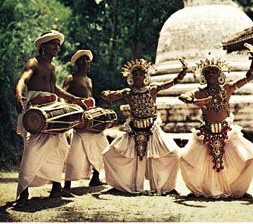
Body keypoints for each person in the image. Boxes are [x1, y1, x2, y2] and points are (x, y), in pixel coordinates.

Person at [15, 30, 86, 207]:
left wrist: (73, 99)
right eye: (53, 44)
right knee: (32, 149)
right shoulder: (34, 62)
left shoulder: (52, 67)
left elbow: (54, 88)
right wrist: (18, 94)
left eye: (58, 45)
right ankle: (23, 191)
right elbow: (23, 79)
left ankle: (56, 186)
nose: (56, 47)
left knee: (59, 146)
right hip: (37, 107)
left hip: (52, 107)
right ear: (43, 46)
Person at [178, 43, 253, 199]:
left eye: (214, 71)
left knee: (248, 159)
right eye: (207, 72)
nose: (211, 74)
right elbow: (183, 96)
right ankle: (202, 189)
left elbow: (249, 78)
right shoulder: (200, 92)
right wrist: (193, 101)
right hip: (206, 133)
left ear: (220, 74)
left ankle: (236, 189)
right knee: (186, 160)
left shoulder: (227, 89)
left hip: (226, 133)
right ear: (203, 76)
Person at [101, 58, 187, 194]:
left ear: (145, 76)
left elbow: (170, 84)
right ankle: (123, 185)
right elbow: (111, 95)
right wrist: (106, 94)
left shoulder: (152, 89)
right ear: (131, 77)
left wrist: (182, 73)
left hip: (152, 130)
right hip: (134, 131)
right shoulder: (128, 93)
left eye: (141, 74)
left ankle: (164, 187)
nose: (138, 77)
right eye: (135, 74)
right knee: (109, 154)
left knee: (174, 154)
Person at [63, 50, 109, 190]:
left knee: (102, 145)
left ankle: (95, 177)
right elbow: (65, 97)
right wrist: (74, 110)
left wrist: (95, 113)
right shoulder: (71, 78)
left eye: (87, 60)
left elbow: (91, 97)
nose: (85, 62)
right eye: (82, 60)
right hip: (79, 119)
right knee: (76, 150)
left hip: (91, 117)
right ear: (76, 64)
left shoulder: (89, 80)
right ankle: (68, 182)